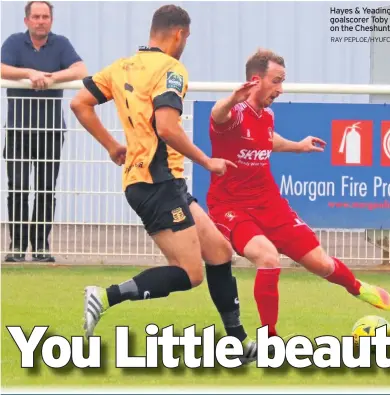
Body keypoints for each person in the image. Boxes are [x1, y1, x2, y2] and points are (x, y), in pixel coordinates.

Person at [70, 5, 257, 363]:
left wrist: (112, 146)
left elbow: (80, 103)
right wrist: (207, 161)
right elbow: (167, 128)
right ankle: (105, 296)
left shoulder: (123, 66)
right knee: (190, 273)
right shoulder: (171, 70)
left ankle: (238, 344)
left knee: (219, 251)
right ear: (180, 34)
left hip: (159, 181)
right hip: (157, 183)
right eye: (188, 37)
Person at [207, 49, 390, 338]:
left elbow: (269, 140)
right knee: (268, 258)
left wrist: (299, 145)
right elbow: (217, 114)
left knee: (320, 263)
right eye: (277, 81)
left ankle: (358, 288)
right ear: (256, 80)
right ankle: (270, 337)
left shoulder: (266, 115)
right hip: (231, 206)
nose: (281, 89)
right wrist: (233, 97)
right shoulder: (233, 114)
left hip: (269, 203)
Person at [1, 1, 88, 263]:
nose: (41, 21)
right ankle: (17, 247)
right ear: (27, 20)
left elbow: (80, 70)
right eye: (36, 17)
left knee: (46, 189)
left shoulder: (61, 44)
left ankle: (40, 247)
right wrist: (30, 73)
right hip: (18, 129)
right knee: (17, 188)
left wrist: (51, 78)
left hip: (50, 130)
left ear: (51, 20)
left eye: (45, 17)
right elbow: (1, 68)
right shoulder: (14, 42)